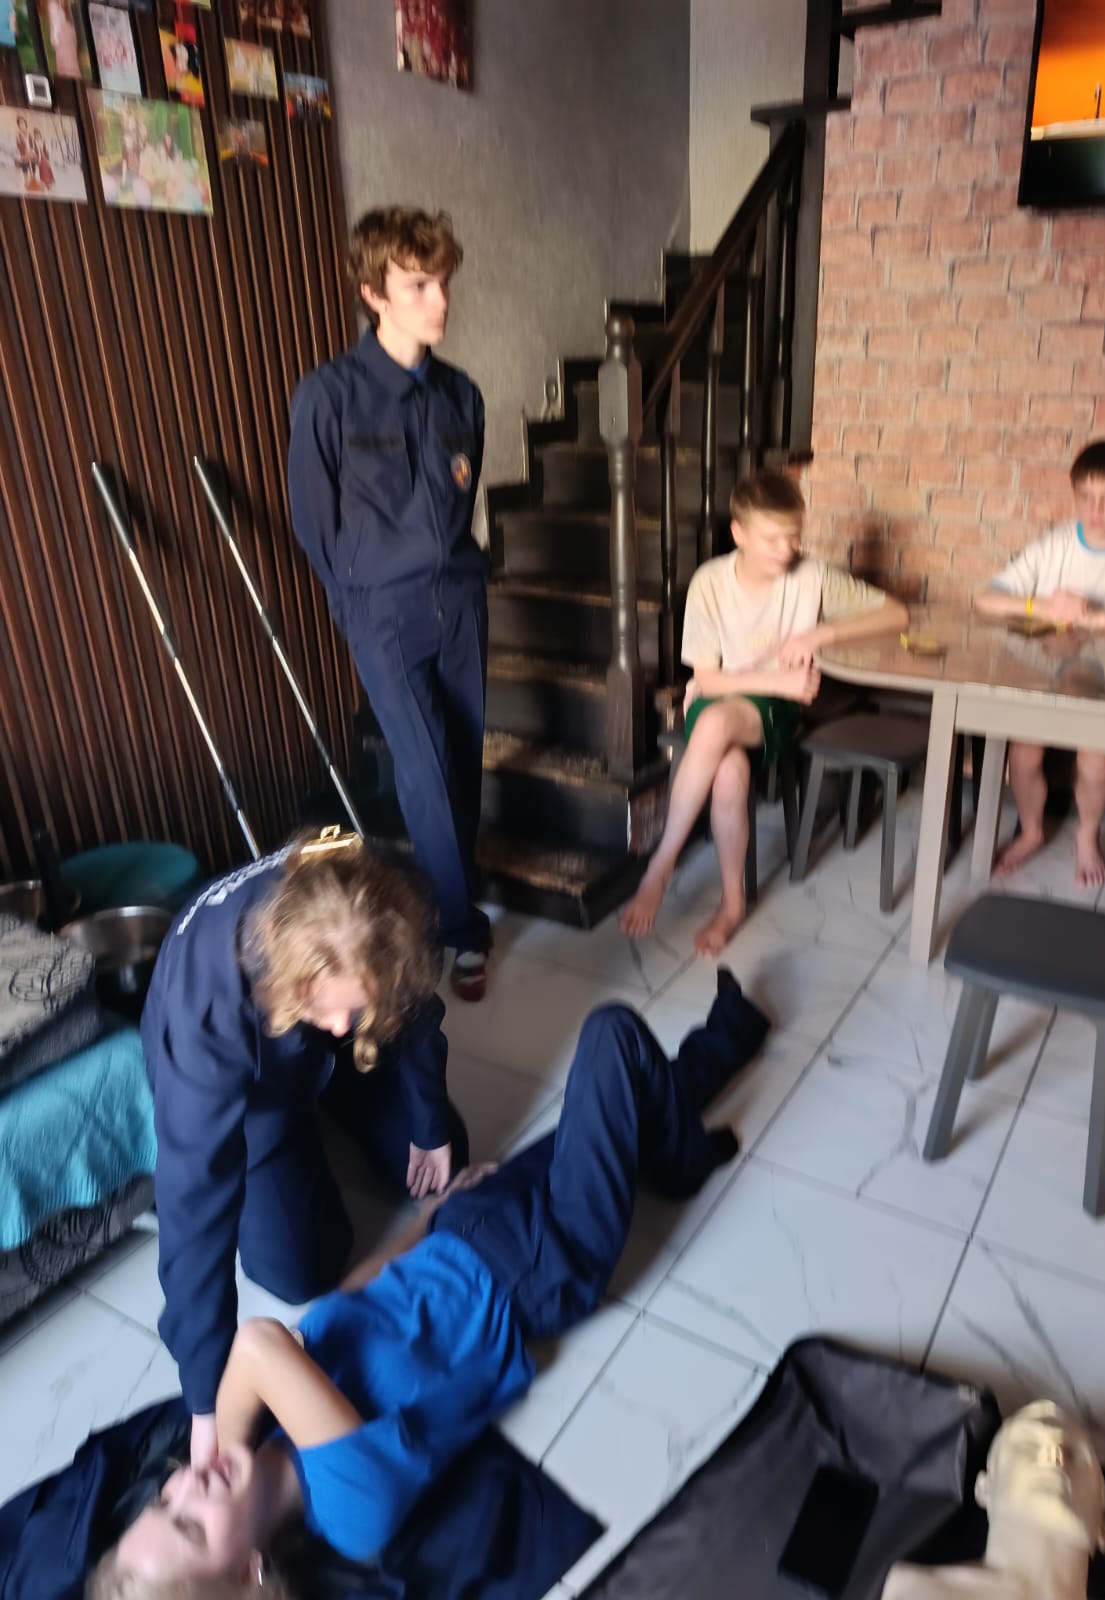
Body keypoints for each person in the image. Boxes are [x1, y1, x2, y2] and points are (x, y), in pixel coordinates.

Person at [91, 969, 770, 1594]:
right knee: (610, 1035)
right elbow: (257, 1345)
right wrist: (227, 1438)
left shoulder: (271, 1429)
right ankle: (684, 1163)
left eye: (164, 1499)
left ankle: (730, 1035)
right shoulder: (352, 1510)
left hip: (469, 1230)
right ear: (250, 1570)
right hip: (542, 1265)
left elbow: (354, 1297)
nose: (188, 1484)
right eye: (190, 1525)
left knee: (626, 1104)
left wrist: (429, 1218)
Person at [141, 829, 467, 1476]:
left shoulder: (378, 904)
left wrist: (430, 1123)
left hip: (325, 1055)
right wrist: (205, 1399)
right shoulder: (204, 1011)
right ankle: (300, 1123)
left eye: (355, 1008)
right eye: (330, 1010)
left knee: (442, 1162)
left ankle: (336, 1087)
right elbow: (192, 1199)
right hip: (253, 1091)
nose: (344, 1024)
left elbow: (415, 1012)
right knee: (301, 1271)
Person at [288, 208, 491, 1003]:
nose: (440, 301)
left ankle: (447, 906)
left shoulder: (461, 394)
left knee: (462, 760)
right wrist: (355, 610)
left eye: (443, 283)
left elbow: (463, 499)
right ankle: (457, 932)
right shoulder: (329, 396)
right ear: (374, 294)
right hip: (383, 612)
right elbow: (314, 523)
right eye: (418, 286)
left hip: (460, 604)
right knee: (425, 770)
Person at [620, 470, 909, 955]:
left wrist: (820, 634)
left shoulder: (812, 577)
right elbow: (709, 679)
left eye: (793, 536)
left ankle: (660, 866)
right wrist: (779, 680)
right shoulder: (710, 582)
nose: (786, 549)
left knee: (716, 726)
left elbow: (897, 615)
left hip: (772, 709)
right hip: (724, 696)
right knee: (729, 773)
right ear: (739, 533)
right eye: (771, 539)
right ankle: (732, 903)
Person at [973, 437, 1105, 885]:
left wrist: (1096, 618)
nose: (1095, 509)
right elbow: (986, 598)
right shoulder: (1056, 542)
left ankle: (1086, 836)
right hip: (1046, 676)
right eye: (1085, 497)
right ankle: (1031, 831)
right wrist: (1041, 606)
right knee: (1023, 754)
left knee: (1096, 762)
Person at [882, 1401, 1105, 1600]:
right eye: (1028, 1446)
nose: (1054, 1457)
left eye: (1072, 1453)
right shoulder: (918, 1593)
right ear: (984, 1489)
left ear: (1104, 1526)